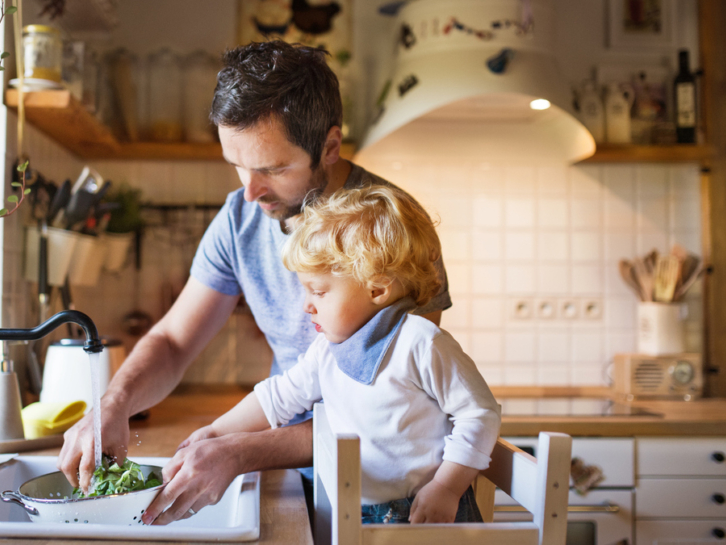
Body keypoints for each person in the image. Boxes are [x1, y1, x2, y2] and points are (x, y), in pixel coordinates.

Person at [56, 40, 453, 525]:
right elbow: (174, 341)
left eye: (272, 168)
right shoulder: (239, 218)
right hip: (293, 469)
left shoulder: (395, 231)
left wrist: (243, 451)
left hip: (387, 489)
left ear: (329, 147)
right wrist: (113, 404)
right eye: (237, 164)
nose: (250, 190)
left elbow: (390, 409)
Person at [178, 185, 500, 524]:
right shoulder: (328, 349)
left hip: (425, 511)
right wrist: (215, 432)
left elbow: (480, 415)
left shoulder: (422, 343)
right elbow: (277, 397)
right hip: (355, 511)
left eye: (318, 291)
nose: (307, 305)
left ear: (376, 289)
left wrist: (447, 488)